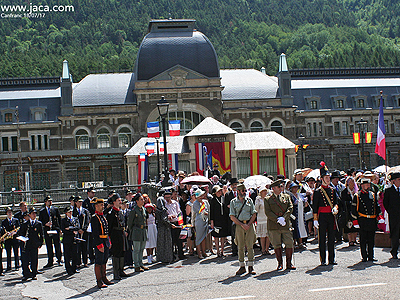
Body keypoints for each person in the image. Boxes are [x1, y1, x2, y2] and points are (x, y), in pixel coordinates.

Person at [264, 180, 295, 270]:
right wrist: (277, 219)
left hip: (285, 224)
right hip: (274, 225)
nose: (281, 188)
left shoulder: (286, 196)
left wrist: (284, 218)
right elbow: (268, 212)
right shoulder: (268, 199)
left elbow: (290, 207)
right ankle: (280, 263)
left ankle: (289, 263)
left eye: (281, 186)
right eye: (279, 187)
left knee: (289, 243)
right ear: (273, 189)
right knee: (277, 245)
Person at [312, 162, 339, 265]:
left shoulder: (332, 190)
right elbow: (315, 206)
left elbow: (336, 202)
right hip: (322, 216)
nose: (328, 179)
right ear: (322, 179)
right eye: (326, 177)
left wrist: (336, 208)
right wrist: (315, 219)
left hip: (331, 216)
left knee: (332, 238)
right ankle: (323, 259)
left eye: (329, 177)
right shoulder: (318, 191)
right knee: (322, 239)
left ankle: (332, 259)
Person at [230, 183, 257, 275]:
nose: (244, 192)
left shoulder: (249, 200)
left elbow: (254, 213)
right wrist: (242, 225)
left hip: (249, 225)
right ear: (238, 192)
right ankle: (242, 266)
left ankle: (251, 266)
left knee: (250, 246)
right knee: (240, 246)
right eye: (242, 191)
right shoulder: (233, 202)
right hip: (239, 226)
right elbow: (232, 216)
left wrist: (248, 224)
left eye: (245, 191)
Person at [352, 178, 382, 262]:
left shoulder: (372, 194)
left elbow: (377, 206)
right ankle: (364, 256)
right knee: (363, 240)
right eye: (366, 185)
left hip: (371, 220)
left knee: (371, 240)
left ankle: (371, 256)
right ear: (362, 186)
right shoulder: (357, 196)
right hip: (363, 220)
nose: (368, 186)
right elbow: (353, 210)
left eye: (369, 184)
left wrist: (379, 217)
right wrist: (355, 221)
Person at [90, 197, 113, 289]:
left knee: (104, 260)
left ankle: (104, 277)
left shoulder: (102, 216)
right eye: (100, 205)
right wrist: (99, 245)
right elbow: (95, 233)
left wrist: (109, 241)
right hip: (100, 242)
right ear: (96, 206)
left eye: (103, 205)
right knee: (99, 262)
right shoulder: (94, 218)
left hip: (105, 241)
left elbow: (106, 231)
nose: (102, 206)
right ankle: (99, 280)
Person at [106, 193, 128, 280]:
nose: (120, 202)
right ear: (114, 202)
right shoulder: (111, 213)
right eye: (118, 201)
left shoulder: (120, 211)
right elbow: (109, 227)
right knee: (116, 254)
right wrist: (109, 238)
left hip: (121, 234)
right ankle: (116, 273)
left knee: (122, 252)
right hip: (115, 234)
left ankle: (121, 270)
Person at [18, 207, 43, 281]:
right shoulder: (25, 224)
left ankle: (34, 274)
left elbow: (41, 234)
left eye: (35, 214)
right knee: (25, 260)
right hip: (27, 245)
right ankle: (26, 274)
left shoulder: (38, 223)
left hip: (34, 245)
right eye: (32, 214)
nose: (34, 215)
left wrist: (40, 243)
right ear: (29, 215)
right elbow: (21, 233)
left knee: (34, 260)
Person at [127, 193, 149, 272]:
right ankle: (136, 265)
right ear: (137, 201)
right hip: (136, 231)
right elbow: (130, 223)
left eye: (143, 199)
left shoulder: (143, 209)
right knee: (136, 249)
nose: (143, 201)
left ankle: (141, 263)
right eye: (141, 199)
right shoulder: (134, 210)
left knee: (142, 249)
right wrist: (131, 231)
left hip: (143, 231)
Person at [39, 196, 62, 268]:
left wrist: (60, 229)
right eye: (48, 201)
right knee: (49, 246)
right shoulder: (42, 211)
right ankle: (50, 261)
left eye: (51, 201)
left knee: (57, 245)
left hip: (55, 229)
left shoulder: (55, 209)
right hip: (47, 230)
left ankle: (59, 259)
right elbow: (40, 221)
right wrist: (45, 224)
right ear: (45, 202)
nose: (50, 202)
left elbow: (59, 219)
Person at [383, 172, 400, 259]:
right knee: (395, 234)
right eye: (398, 180)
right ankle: (394, 251)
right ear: (394, 181)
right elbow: (385, 203)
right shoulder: (389, 190)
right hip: (394, 216)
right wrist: (391, 211)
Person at [210, 185, 230, 257]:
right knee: (216, 236)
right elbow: (211, 211)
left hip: (223, 219)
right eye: (218, 191)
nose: (219, 192)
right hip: (216, 220)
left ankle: (222, 251)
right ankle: (217, 251)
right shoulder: (213, 200)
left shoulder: (223, 198)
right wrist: (212, 221)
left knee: (223, 236)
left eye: (220, 191)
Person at [165, 188, 185, 260]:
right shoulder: (164, 204)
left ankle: (181, 254)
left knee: (179, 240)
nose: (167, 199)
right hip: (170, 223)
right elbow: (164, 214)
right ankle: (172, 255)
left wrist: (180, 222)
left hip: (177, 222)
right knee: (172, 241)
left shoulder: (175, 203)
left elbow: (179, 212)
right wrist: (169, 216)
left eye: (168, 197)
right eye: (166, 197)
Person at [155, 190, 174, 264]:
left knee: (161, 243)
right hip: (165, 228)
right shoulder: (162, 210)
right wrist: (171, 224)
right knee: (166, 243)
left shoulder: (157, 210)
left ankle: (161, 258)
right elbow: (164, 219)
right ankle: (167, 258)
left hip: (160, 227)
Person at [288, 182, 308, 249]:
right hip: (294, 214)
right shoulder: (290, 196)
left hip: (300, 214)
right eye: (294, 187)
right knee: (294, 228)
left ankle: (300, 242)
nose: (295, 189)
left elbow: (305, 205)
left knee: (301, 227)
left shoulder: (300, 195)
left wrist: (305, 202)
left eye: (296, 187)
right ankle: (294, 243)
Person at [61, 206, 80, 275]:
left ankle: (74, 268)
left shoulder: (75, 219)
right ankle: (68, 269)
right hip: (67, 240)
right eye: (69, 212)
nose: (70, 213)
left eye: (71, 212)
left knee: (75, 254)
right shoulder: (63, 220)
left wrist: (70, 228)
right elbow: (64, 230)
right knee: (67, 255)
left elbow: (77, 227)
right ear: (66, 213)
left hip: (74, 239)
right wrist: (72, 231)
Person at [73, 196, 91, 268]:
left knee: (85, 247)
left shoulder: (85, 211)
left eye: (81, 202)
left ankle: (85, 261)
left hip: (84, 232)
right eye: (79, 202)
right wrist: (78, 229)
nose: (80, 203)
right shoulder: (73, 211)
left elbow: (87, 221)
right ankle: (78, 262)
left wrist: (83, 229)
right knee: (78, 248)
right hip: (77, 232)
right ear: (75, 203)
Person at [193, 189, 210, 259]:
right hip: (199, 221)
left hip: (205, 221)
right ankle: (199, 253)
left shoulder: (204, 202)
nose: (201, 197)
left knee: (203, 237)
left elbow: (207, 210)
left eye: (202, 195)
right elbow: (199, 211)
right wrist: (204, 212)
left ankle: (203, 251)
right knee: (198, 237)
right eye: (200, 196)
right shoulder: (195, 203)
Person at [341, 177, 358, 246]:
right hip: (347, 210)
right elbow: (343, 201)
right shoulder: (344, 192)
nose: (352, 183)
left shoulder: (356, 191)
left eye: (353, 182)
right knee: (349, 225)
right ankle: (350, 240)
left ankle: (354, 239)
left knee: (355, 225)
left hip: (355, 210)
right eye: (350, 182)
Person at [254, 187, 271, 255]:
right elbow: (256, 210)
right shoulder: (258, 199)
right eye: (263, 191)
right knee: (262, 236)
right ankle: (263, 249)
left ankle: (267, 249)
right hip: (261, 219)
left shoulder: (268, 199)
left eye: (265, 191)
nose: (265, 192)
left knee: (268, 235)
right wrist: (257, 203)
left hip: (268, 219)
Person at [225, 177, 239, 256]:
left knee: (240, 234)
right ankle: (234, 251)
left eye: (236, 185)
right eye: (233, 185)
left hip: (240, 217)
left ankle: (242, 249)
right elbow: (227, 205)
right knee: (233, 235)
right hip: (232, 217)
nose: (235, 186)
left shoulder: (240, 193)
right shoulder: (228, 194)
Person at [83, 187, 96, 264]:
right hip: (90, 223)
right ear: (88, 193)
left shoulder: (95, 200)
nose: (93, 194)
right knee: (90, 241)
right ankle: (91, 256)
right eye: (92, 192)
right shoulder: (85, 202)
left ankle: (96, 255)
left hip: (96, 222)